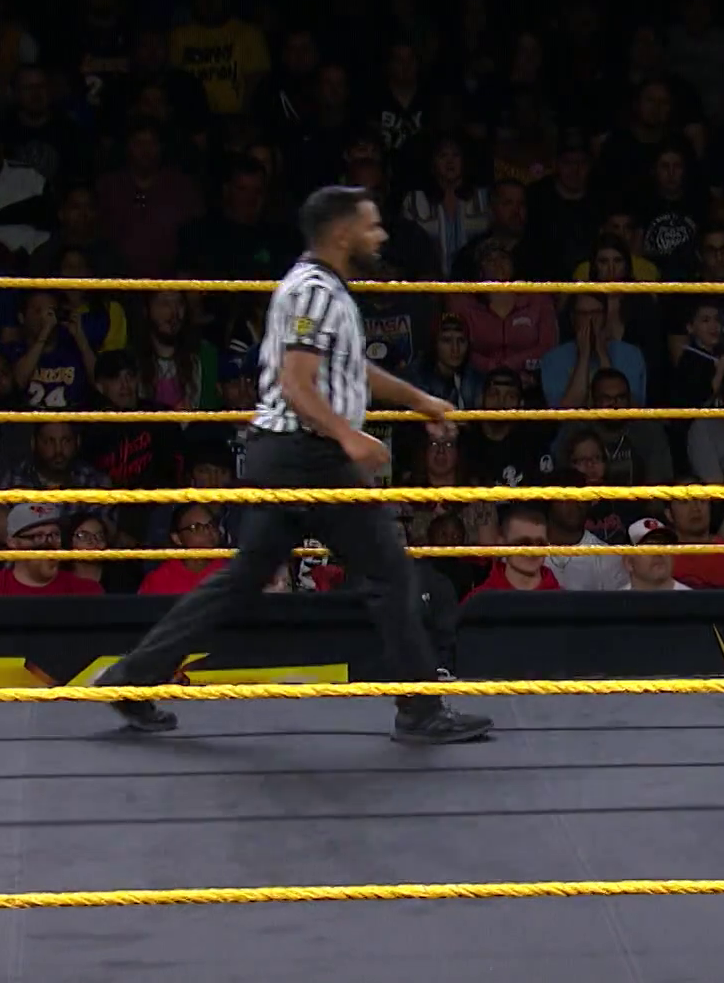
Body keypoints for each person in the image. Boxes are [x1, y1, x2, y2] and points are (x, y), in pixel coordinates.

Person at [96, 186, 492, 745]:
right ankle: (421, 709)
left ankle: (132, 679)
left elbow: (350, 371)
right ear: (342, 233)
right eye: (371, 226)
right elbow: (296, 384)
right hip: (308, 453)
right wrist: (349, 438)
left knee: (242, 579)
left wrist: (419, 400)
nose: (381, 236)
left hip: (291, 452)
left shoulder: (325, 290)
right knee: (390, 571)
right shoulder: (313, 293)